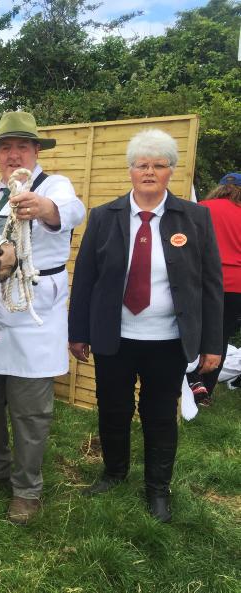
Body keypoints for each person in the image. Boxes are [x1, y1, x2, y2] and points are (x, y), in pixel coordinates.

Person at [68, 129, 223, 522]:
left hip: (168, 340)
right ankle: (114, 473)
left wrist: (213, 342)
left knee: (158, 414)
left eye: (159, 165)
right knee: (113, 409)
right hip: (114, 336)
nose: (150, 171)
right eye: (142, 165)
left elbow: (210, 284)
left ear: (171, 171)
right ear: (131, 171)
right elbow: (85, 277)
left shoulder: (196, 217)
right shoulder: (104, 216)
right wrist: (78, 332)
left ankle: (157, 489)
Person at [0, 111, 86, 524]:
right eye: (5, 148)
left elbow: (71, 211)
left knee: (30, 409)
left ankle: (27, 489)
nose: (13, 155)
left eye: (22, 147)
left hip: (33, 309)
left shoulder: (55, 186)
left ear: (35, 151)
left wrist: (43, 206)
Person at [184, 173, 241, 405]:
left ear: (220, 188)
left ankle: (192, 380)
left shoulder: (201, 208)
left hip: (202, 280)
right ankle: (206, 391)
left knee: (192, 332)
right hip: (236, 284)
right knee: (220, 336)